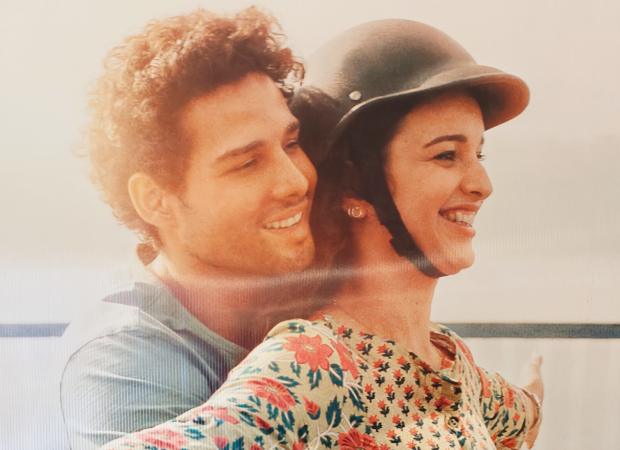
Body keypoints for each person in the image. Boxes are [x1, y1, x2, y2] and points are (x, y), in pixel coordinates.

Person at [102, 19, 543, 450]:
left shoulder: (450, 360)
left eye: (479, 154)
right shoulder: (313, 365)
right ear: (356, 184)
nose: (482, 184)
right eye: (446, 155)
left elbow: (520, 414)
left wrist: (532, 401)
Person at [60, 8, 318, 449]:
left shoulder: (315, 295)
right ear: (156, 200)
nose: (295, 182)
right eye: (247, 163)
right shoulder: (123, 358)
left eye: (291, 144)